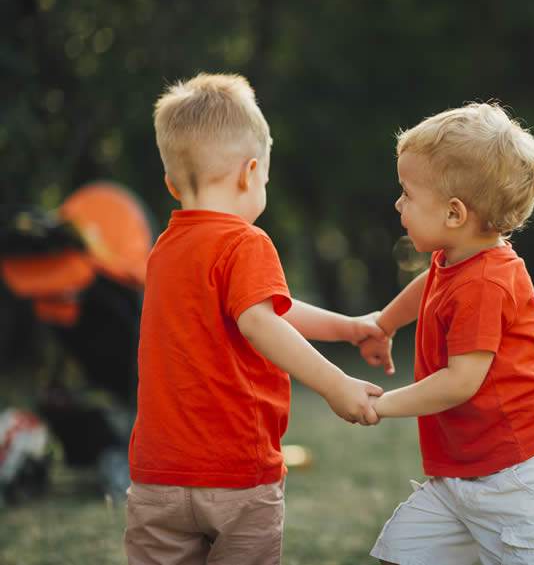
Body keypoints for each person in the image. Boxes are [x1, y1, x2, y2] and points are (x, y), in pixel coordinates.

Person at [126, 73, 385, 565]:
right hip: (235, 475)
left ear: (170, 183)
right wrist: (336, 384)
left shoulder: (165, 250)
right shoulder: (245, 242)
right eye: (265, 176)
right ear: (249, 173)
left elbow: (270, 308)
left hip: (157, 477)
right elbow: (261, 323)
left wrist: (349, 326)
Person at [359, 103, 534, 565]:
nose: (398, 204)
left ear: (454, 213)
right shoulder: (457, 258)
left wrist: (380, 406)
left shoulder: (487, 281)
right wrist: (385, 322)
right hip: (466, 474)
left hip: (522, 477)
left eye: (407, 193)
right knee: (400, 554)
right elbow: (430, 285)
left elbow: (460, 382)